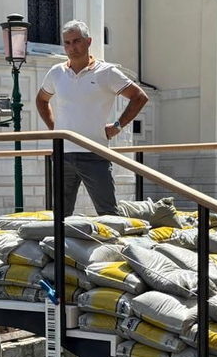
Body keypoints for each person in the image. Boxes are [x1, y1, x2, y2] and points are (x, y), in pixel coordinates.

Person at [35, 19, 149, 216]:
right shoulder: (57, 72)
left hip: (95, 153)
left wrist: (117, 126)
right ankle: (60, 247)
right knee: (59, 215)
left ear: (88, 42)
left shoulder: (106, 72)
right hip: (63, 154)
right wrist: (55, 130)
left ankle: (114, 246)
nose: (72, 47)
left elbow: (139, 97)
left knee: (108, 214)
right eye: (67, 43)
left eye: (77, 41)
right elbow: (41, 100)